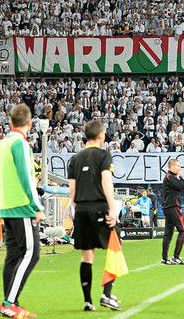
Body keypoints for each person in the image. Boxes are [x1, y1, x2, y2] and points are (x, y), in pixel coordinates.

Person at [0, 104, 44, 319]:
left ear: (10, 122)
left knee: (13, 255)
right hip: (21, 206)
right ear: (29, 123)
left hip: (6, 205)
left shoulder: (3, 143)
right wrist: (37, 206)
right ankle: (8, 302)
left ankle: (12, 302)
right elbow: (27, 177)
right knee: (31, 253)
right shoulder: (21, 144)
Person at [67, 120, 121, 312]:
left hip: (81, 208)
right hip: (99, 206)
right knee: (115, 247)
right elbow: (106, 181)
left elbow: (72, 189)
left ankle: (87, 301)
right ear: (100, 136)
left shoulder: (75, 158)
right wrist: (112, 209)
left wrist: (76, 209)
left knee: (86, 255)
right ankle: (106, 294)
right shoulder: (103, 155)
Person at [160, 159, 184, 265]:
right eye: (178, 166)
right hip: (173, 207)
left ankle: (164, 259)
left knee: (168, 233)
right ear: (172, 166)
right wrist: (181, 177)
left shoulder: (171, 177)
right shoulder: (170, 177)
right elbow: (183, 187)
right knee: (183, 230)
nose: (180, 168)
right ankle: (176, 256)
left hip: (168, 207)